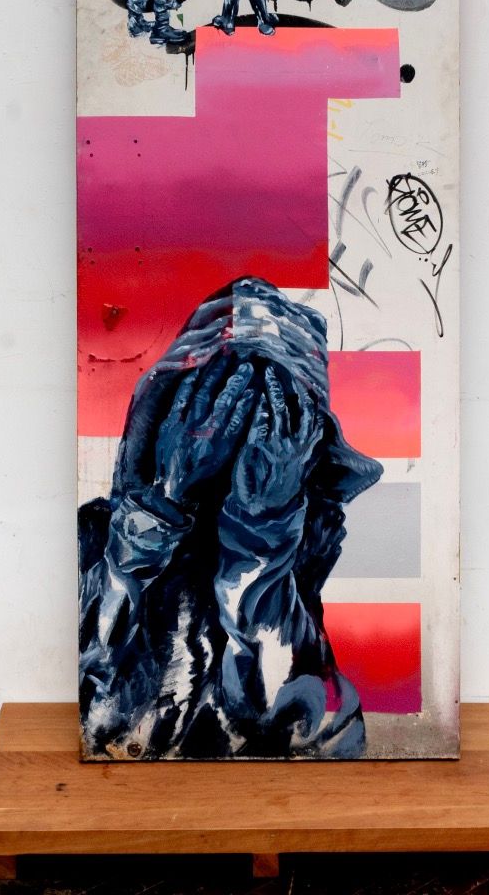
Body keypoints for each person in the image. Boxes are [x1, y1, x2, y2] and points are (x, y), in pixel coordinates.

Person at [78, 277, 383, 760]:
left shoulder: (301, 559)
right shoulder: (92, 544)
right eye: (212, 403)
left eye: (274, 420)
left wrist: (261, 536)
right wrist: (158, 507)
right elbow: (96, 721)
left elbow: (320, 738)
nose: (237, 438)